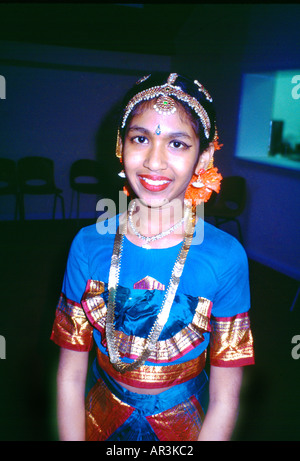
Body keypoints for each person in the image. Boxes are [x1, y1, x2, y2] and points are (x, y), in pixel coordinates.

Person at [50, 72, 255, 441]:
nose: (154, 162)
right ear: (120, 145)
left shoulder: (225, 258)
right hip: (97, 423)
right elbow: (69, 375)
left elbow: (226, 396)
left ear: (204, 156)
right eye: (141, 139)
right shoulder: (87, 245)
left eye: (177, 144)